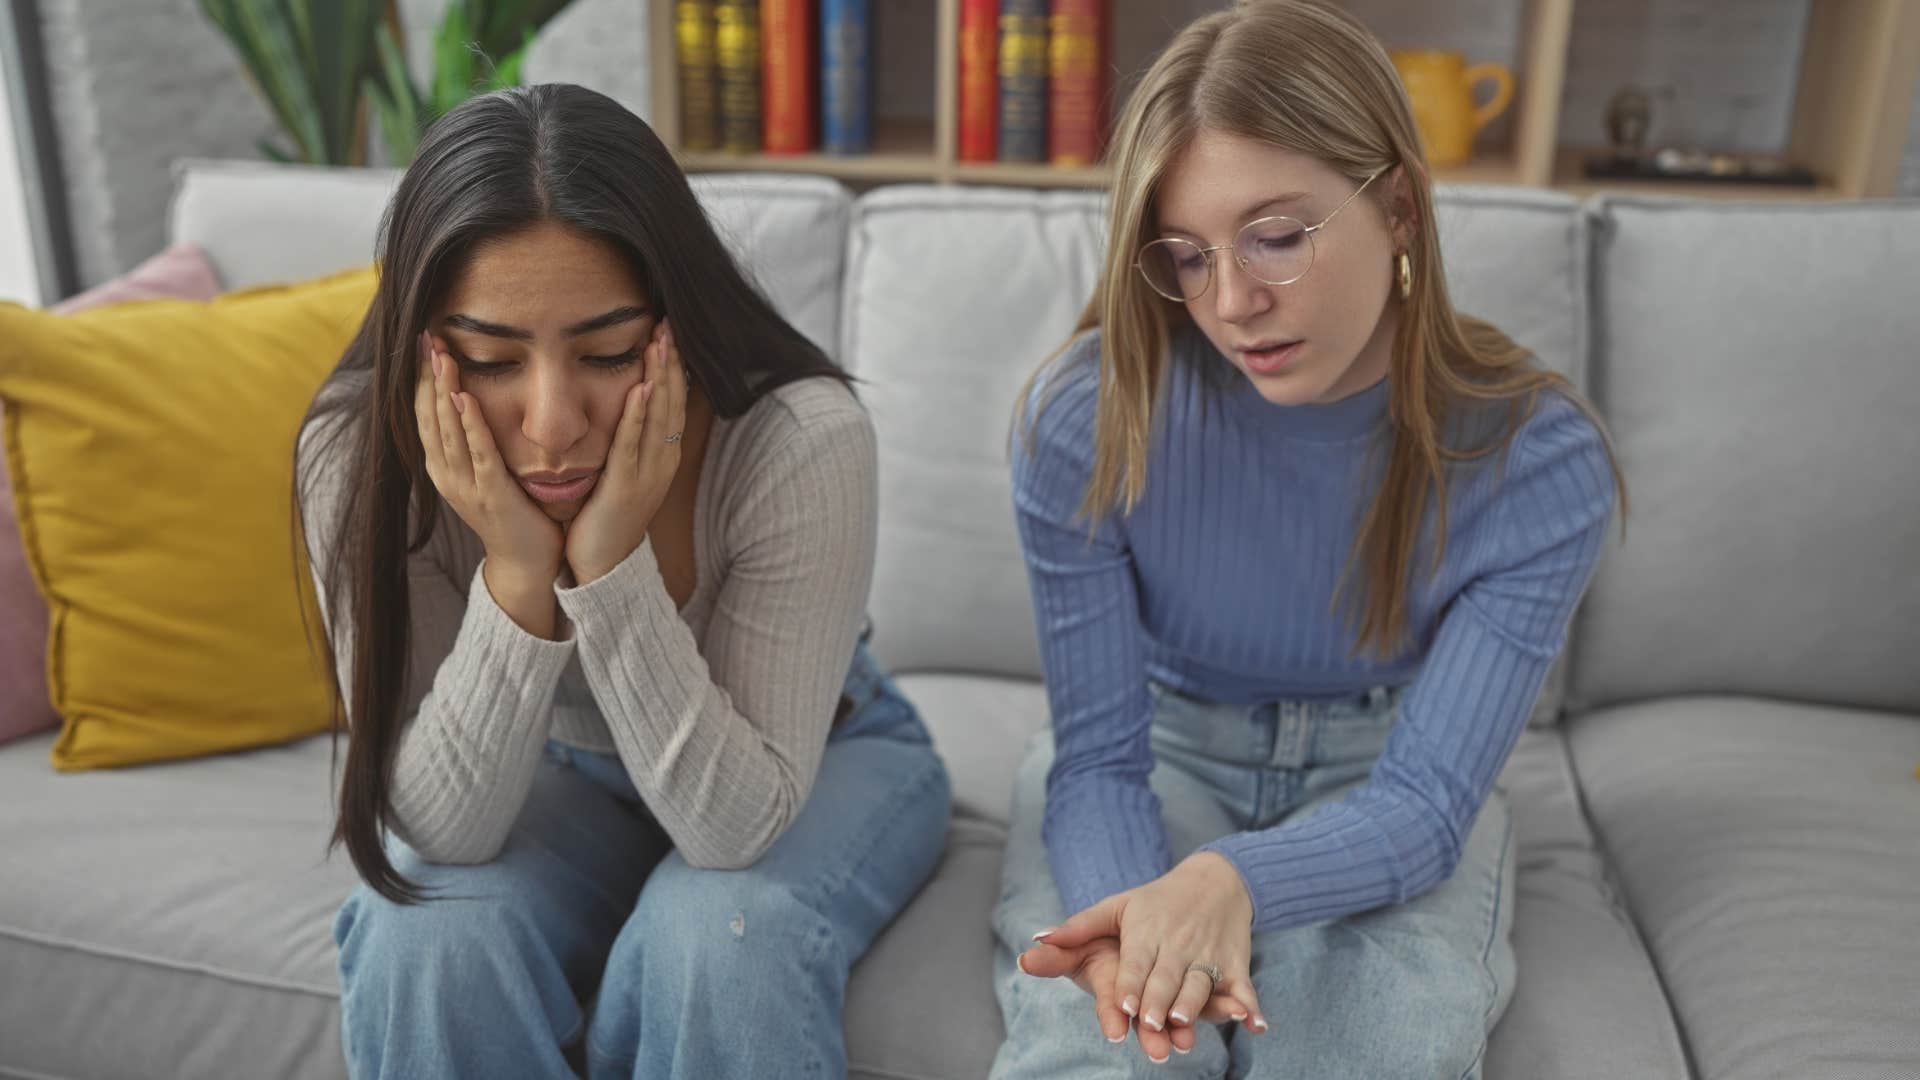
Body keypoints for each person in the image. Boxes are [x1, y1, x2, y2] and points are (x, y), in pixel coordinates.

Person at [992, 2, 1628, 1075]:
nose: (1233, 302)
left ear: (1399, 210)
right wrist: (1131, 916)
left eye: (1278, 237)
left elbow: (1427, 804)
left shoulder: (1540, 462)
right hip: (1158, 753)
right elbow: (1100, 760)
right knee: (1118, 1051)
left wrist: (1228, 881)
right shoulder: (1088, 419)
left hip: (1384, 777)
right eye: (1187, 257)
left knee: (1371, 1050)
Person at [294, 83, 951, 1079]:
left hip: (821, 751)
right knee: (426, 944)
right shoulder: (357, 457)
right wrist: (517, 572)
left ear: (673, 325)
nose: (553, 422)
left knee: (719, 939)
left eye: (604, 353)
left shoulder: (801, 440)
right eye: (490, 359)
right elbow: (441, 833)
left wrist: (607, 564)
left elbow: (733, 829)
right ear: (429, 350)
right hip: (561, 770)